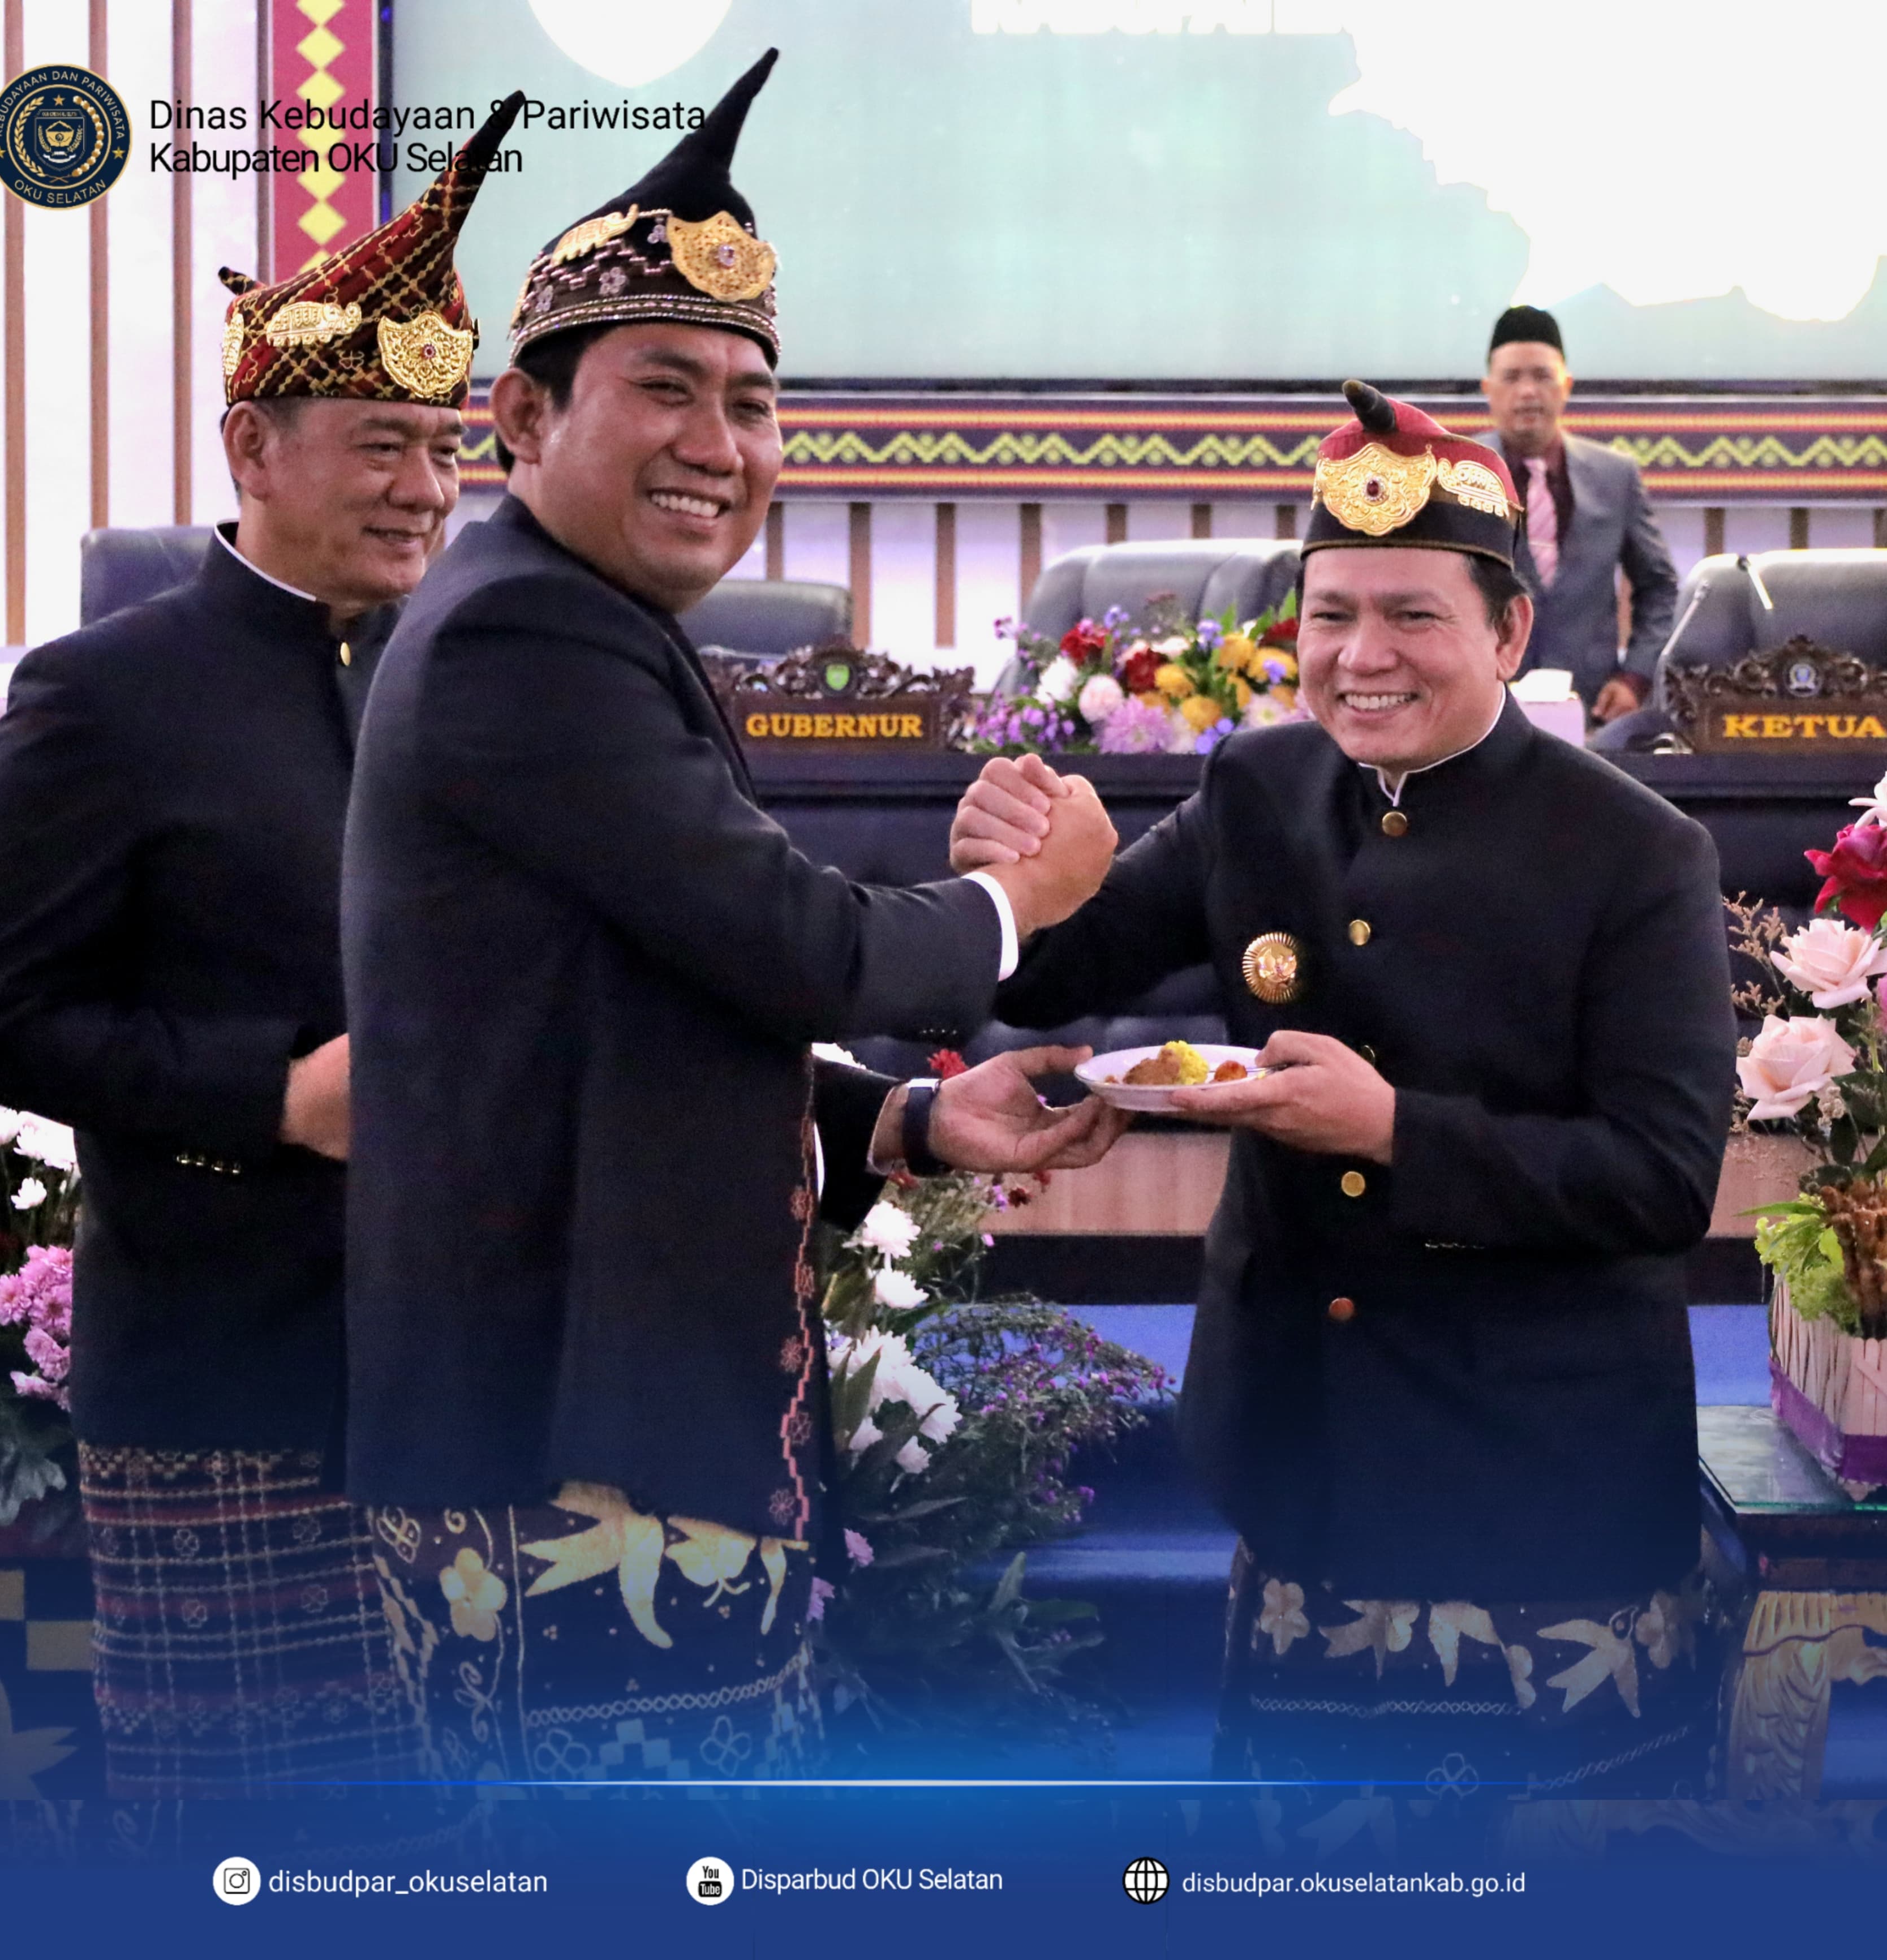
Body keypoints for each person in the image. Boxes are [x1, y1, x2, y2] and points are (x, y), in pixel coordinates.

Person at [339, 50, 1122, 1787]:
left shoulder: (570, 618)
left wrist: (915, 1122)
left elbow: (640, 1007)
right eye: (665, 388)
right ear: (523, 417)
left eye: (754, 402)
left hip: (603, 1436)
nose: (720, 445)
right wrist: (1027, 894)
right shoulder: (525, 633)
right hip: (568, 1456)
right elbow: (800, 947)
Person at [952, 381, 1737, 1814]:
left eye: (1410, 615)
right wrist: (1013, 876)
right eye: (1329, 615)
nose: (1359, 656)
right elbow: (1060, 971)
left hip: (1536, 1492)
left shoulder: (1635, 853)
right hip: (1304, 1469)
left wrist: (1391, 1131)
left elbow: (1661, 1177)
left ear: (1507, 632)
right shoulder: (1258, 787)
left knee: (1561, 1888)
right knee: (1297, 1867)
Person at [0, 97, 523, 1799]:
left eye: (444, 445)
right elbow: (7, 1017)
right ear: (250, 448)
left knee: (478, 1850)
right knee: (247, 1848)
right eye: (379, 442)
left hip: (476, 1375)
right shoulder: (104, 691)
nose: (424, 488)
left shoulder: (477, 677)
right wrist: (273, 1095)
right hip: (226, 1374)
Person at [1478, 304, 1680, 742]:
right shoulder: (1458, 477)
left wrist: (1636, 678)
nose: (1528, 392)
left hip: (1593, 721)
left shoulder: (1616, 477)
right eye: (1512, 378)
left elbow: (1660, 587)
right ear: (1488, 389)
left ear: (1566, 385)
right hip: (1481, 715)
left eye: (1542, 376)